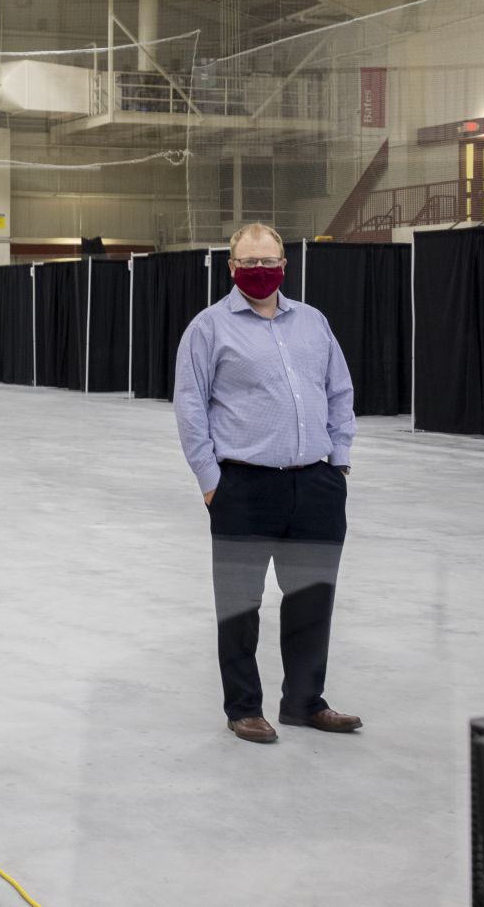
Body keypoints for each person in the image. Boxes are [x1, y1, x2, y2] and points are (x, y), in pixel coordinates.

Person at [174, 222, 360, 744]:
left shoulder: (313, 322)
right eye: (249, 264)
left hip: (317, 486)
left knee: (312, 599)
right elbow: (190, 407)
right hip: (244, 488)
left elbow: (339, 391)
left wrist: (338, 463)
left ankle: (304, 702)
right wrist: (212, 482)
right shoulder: (208, 328)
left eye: (269, 262)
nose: (261, 272)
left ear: (285, 264)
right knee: (239, 605)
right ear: (232, 269)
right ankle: (244, 708)